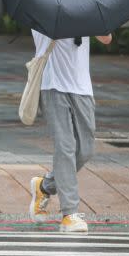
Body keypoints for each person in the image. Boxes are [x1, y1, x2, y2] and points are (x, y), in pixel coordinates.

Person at [28, 33, 112, 233]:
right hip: (53, 85)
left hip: (82, 86)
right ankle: (69, 214)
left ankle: (45, 186)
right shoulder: (44, 5)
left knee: (86, 150)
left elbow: (107, 38)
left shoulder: (84, 7)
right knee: (65, 147)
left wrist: (88, 22)